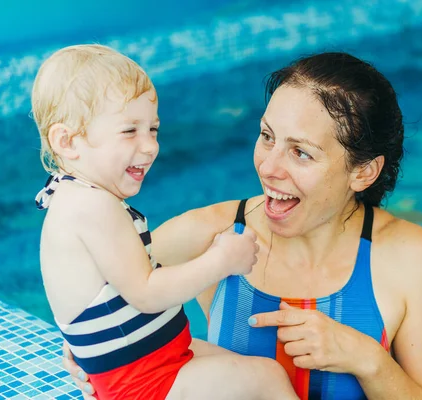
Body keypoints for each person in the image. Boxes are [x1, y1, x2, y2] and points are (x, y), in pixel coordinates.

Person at [63, 51, 422, 400]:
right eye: (267, 137)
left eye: (301, 153)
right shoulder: (212, 236)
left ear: (363, 172)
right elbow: (93, 287)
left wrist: (369, 361)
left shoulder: (405, 255)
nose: (268, 168)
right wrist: (90, 352)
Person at [33, 44, 298, 400]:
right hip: (144, 384)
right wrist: (221, 261)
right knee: (267, 378)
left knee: (239, 367)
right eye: (130, 131)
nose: (149, 147)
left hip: (154, 363)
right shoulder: (91, 205)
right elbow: (146, 292)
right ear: (67, 142)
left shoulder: (80, 199)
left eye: (153, 130)